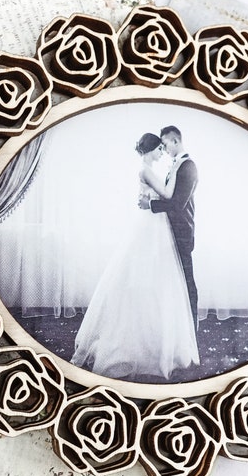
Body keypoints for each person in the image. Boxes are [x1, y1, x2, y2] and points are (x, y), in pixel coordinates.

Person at [70, 133, 199, 381]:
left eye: (164, 148)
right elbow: (171, 195)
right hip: (153, 226)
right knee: (149, 278)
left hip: (157, 223)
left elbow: (162, 197)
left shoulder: (150, 168)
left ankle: (155, 336)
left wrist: (173, 172)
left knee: (156, 279)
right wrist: (175, 170)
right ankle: (141, 340)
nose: (162, 153)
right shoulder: (148, 169)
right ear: (150, 150)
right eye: (159, 149)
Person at [139, 125, 199, 332]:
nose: (163, 149)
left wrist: (151, 205)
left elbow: (178, 203)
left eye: (165, 144)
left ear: (175, 141)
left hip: (182, 231)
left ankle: (192, 328)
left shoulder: (188, 166)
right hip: (169, 230)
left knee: (187, 280)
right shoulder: (177, 165)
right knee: (172, 280)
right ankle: (176, 327)